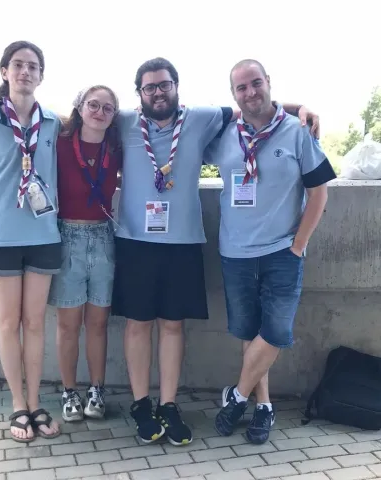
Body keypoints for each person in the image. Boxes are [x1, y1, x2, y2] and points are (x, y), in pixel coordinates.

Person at [111, 57, 320, 446]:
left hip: (183, 242)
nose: (158, 92)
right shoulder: (123, 121)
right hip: (135, 240)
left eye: (164, 84)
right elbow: (78, 124)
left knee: (174, 326)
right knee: (137, 324)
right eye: (149, 87)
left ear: (177, 85)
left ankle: (169, 405)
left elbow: (256, 105)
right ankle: (141, 404)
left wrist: (300, 108)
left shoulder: (203, 117)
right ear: (138, 92)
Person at [205, 59, 336, 444]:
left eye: (256, 83)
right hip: (235, 252)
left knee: (276, 331)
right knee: (250, 332)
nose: (250, 93)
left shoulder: (297, 132)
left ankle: (237, 397)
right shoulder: (224, 134)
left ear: (268, 83)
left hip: (282, 251)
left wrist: (298, 246)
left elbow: (319, 192)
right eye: (241, 88)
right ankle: (263, 407)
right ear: (234, 96)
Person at [0, 40, 62, 443]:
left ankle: (36, 403)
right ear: (5, 72)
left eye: (33, 66)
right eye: (18, 65)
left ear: (41, 75)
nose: (25, 72)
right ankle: (18, 405)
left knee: (35, 323)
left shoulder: (54, 122)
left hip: (43, 234)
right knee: (8, 322)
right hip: (0, 236)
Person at [47, 85, 121, 422]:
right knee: (67, 324)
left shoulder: (116, 146)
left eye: (108, 108)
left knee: (98, 323)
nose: (100, 112)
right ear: (79, 108)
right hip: (67, 237)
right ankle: (68, 391)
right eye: (93, 104)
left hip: (104, 238)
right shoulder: (59, 142)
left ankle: (96, 389)